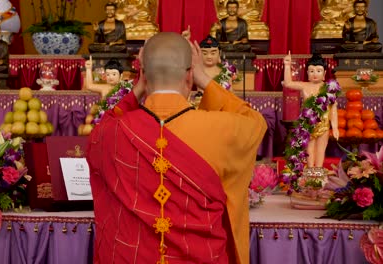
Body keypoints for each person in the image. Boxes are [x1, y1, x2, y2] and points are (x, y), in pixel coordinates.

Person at [86, 32, 267, 264]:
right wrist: (205, 79)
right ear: (189, 75)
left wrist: (136, 91)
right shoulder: (222, 128)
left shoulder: (110, 133)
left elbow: (104, 125)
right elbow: (255, 122)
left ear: (142, 75)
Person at [283, 52, 339, 168]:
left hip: (323, 124)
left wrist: (335, 127)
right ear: (307, 73)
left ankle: (318, 170)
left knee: (320, 149)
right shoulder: (304, 86)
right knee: (309, 148)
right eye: (312, 71)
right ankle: (310, 170)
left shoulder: (328, 88)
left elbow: (333, 108)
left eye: (318, 71)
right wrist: (287, 65)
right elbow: (288, 83)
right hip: (308, 123)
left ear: (324, 73)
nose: (315, 74)